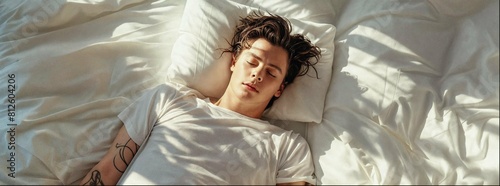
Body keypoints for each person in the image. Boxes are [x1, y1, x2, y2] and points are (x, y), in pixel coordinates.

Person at [80, 11, 321, 185]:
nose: (258, 73)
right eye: (252, 62)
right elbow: (107, 170)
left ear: (280, 88)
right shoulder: (169, 99)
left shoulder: (287, 146)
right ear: (235, 61)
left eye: (271, 73)